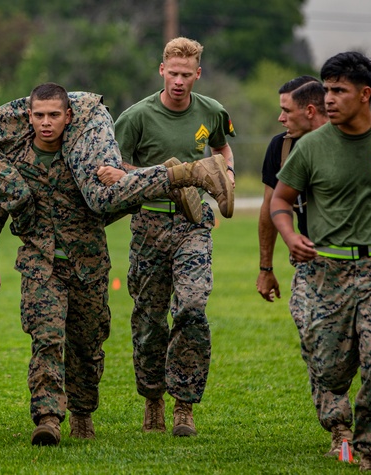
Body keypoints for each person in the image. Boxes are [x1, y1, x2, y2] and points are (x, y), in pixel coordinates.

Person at [0, 82, 231, 446]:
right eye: (39, 116)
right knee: (46, 339)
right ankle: (47, 418)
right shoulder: (11, 158)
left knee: (87, 347)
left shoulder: (74, 153)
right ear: (30, 118)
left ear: (67, 117)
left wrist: (126, 176)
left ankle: (82, 413)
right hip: (40, 266)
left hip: (87, 262)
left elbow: (106, 201)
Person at [270, 51, 371, 472]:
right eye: (326, 89)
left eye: (339, 90)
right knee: (328, 372)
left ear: (365, 94)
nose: (329, 98)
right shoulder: (310, 147)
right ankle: (353, 407)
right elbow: (281, 200)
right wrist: (291, 236)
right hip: (327, 272)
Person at [112, 36, 235, 437]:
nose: (179, 81)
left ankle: (184, 405)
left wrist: (227, 175)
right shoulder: (136, 117)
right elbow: (117, 169)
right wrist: (157, 180)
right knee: (149, 320)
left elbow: (222, 149)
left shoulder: (211, 111)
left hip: (193, 224)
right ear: (161, 70)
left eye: (187, 74)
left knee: (193, 307)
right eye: (173, 73)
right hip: (149, 225)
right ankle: (153, 402)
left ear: (198, 73)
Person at [256, 75, 360, 456]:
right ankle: (339, 429)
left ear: (310, 110)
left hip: (363, 264)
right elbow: (271, 209)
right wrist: (266, 267)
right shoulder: (280, 149)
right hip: (310, 266)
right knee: (317, 344)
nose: (280, 118)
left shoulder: (351, 141)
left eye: (286, 110)